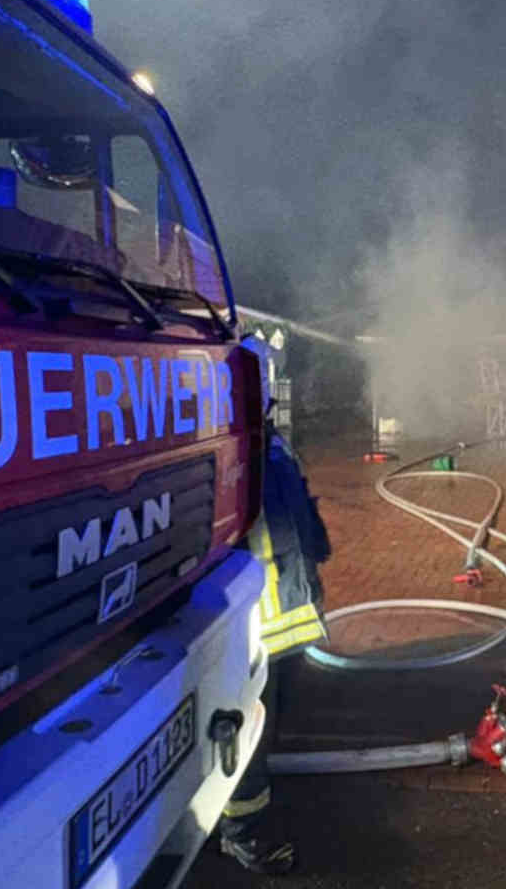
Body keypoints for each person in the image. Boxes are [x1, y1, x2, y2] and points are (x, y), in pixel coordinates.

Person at [216, 334, 333, 875]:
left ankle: (247, 819)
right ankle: (242, 835)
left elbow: (297, 508)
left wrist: (318, 545)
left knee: (271, 724)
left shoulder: (270, 443)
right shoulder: (232, 450)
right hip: (254, 624)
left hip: (287, 612)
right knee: (250, 731)